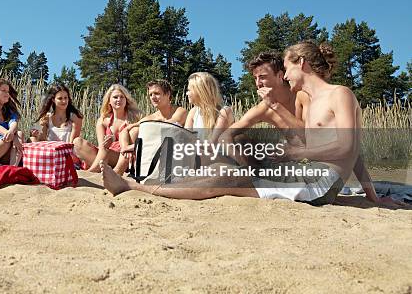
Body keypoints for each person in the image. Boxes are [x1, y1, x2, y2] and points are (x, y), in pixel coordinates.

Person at [102, 43, 407, 208]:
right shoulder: (309, 100)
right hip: (310, 179)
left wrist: (296, 150)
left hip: (317, 182)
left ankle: (133, 186)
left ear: (300, 63)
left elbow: (350, 148)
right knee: (228, 173)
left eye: (285, 67)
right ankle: (141, 185)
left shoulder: (339, 93)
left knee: (225, 179)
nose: (285, 74)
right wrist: (371, 196)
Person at [114, 79, 188, 174]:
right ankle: (118, 171)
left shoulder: (179, 111)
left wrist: (135, 146)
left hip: (174, 154)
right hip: (152, 153)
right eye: (150, 94)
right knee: (134, 131)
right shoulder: (151, 117)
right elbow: (125, 130)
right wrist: (126, 147)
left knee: (139, 131)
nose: (153, 97)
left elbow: (169, 129)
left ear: (168, 94)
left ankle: (118, 172)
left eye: (157, 93)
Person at [73, 84, 141, 173]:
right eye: (115, 97)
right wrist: (107, 143)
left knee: (107, 151)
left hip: (123, 157)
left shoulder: (135, 117)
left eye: (122, 97)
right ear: (109, 100)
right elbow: (102, 146)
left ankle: (93, 171)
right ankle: (102, 168)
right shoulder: (103, 120)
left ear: (126, 100)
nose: (119, 100)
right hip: (104, 154)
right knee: (77, 142)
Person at [183, 72, 234, 138]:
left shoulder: (223, 111)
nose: (187, 93)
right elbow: (185, 138)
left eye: (189, 90)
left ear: (200, 91)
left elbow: (213, 143)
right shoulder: (193, 112)